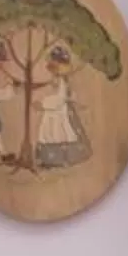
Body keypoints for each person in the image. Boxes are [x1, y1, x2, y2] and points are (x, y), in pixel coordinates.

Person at [32, 43, 89, 171]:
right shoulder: (58, 79)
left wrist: (43, 104)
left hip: (58, 112)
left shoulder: (62, 80)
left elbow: (60, 98)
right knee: (50, 133)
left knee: (57, 133)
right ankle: (49, 160)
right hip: (55, 111)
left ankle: (58, 160)